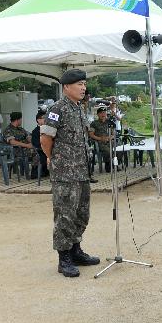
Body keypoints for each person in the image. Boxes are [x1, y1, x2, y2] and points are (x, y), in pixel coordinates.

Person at [39, 69, 100, 278]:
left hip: (82, 171)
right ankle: (63, 259)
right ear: (66, 87)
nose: (83, 88)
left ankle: (76, 251)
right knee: (65, 215)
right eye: (79, 84)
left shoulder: (79, 108)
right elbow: (45, 139)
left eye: (84, 84)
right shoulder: (57, 109)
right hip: (65, 174)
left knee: (82, 214)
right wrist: (53, 158)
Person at [2, 111, 34, 175]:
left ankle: (39, 171)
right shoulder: (8, 130)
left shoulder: (20, 129)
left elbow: (28, 136)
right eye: (21, 119)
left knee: (39, 150)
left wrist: (31, 141)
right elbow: (12, 142)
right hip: (15, 150)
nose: (21, 120)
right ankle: (34, 172)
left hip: (24, 149)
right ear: (17, 120)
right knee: (37, 153)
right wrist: (27, 145)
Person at [88, 107, 113, 174]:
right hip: (100, 142)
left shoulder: (109, 122)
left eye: (104, 112)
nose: (103, 114)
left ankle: (114, 164)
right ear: (98, 114)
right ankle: (108, 164)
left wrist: (110, 137)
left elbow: (114, 133)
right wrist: (100, 139)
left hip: (110, 141)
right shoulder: (94, 123)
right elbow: (91, 134)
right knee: (108, 150)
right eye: (101, 113)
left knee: (118, 149)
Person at [31, 111, 49, 179]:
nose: (46, 120)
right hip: (40, 152)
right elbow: (36, 144)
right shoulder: (35, 131)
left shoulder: (48, 129)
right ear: (38, 120)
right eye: (44, 118)